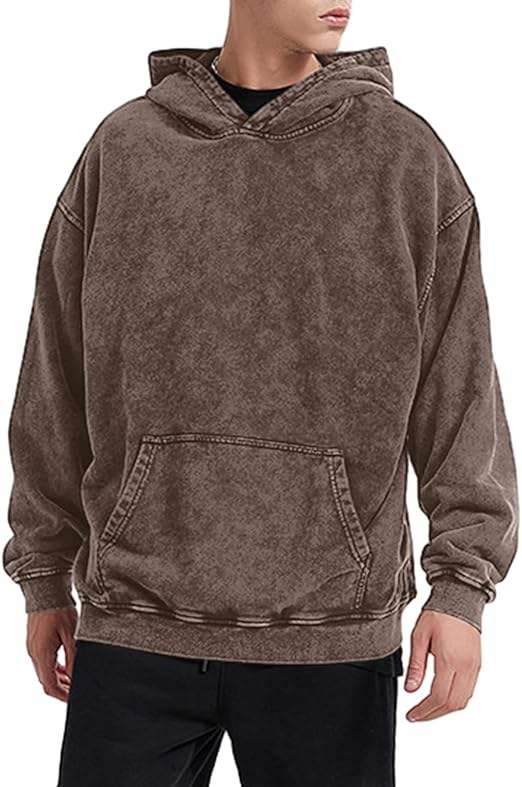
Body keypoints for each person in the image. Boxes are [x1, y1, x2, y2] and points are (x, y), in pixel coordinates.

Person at [3, 1, 518, 785]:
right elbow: (55, 375)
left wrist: (461, 588)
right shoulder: (126, 150)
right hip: (135, 626)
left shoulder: (404, 159)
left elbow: (461, 389)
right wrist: (43, 572)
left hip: (331, 633)